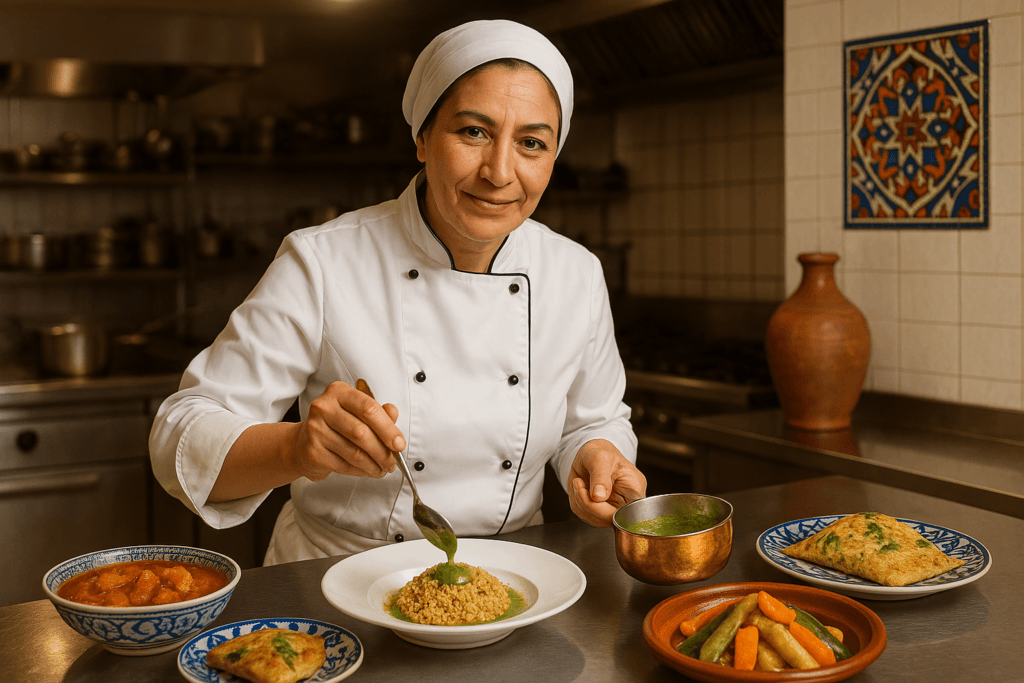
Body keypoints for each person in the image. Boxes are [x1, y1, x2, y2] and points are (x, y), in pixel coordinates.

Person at [149, 19, 646, 565]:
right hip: (333, 580)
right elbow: (180, 434)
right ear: (422, 138)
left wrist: (598, 454)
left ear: (553, 158)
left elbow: (595, 420)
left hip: (511, 578)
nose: (500, 172)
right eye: (473, 132)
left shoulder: (574, 273)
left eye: (531, 143)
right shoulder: (324, 260)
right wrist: (297, 448)